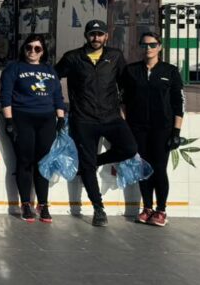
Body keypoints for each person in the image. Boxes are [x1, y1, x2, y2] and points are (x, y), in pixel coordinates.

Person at [55, 19, 138, 227]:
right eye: (92, 34)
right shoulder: (73, 57)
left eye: (100, 34)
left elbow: (125, 84)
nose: (96, 38)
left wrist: (124, 108)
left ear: (106, 36)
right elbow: (52, 78)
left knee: (129, 148)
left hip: (111, 117)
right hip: (83, 119)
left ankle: (92, 162)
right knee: (87, 165)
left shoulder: (115, 56)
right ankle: (98, 209)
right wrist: (57, 104)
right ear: (86, 35)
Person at [120, 31, 185, 228]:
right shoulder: (131, 71)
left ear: (160, 47)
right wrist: (125, 127)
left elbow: (178, 103)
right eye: (145, 45)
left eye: (152, 45)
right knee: (143, 169)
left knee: (159, 169)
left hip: (162, 128)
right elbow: (122, 101)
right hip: (137, 128)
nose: (148, 48)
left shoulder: (170, 71)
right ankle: (147, 208)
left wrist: (176, 132)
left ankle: (161, 210)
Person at [0, 34, 67, 223]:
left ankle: (43, 204)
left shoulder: (49, 70)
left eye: (37, 48)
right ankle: (26, 204)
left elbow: (57, 96)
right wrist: (9, 120)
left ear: (43, 51)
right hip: (22, 118)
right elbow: (5, 95)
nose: (32, 51)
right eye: (29, 47)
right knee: (25, 161)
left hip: (47, 120)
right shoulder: (14, 68)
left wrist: (61, 117)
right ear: (24, 49)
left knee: (43, 162)